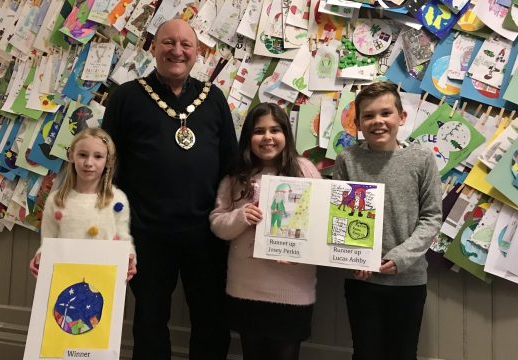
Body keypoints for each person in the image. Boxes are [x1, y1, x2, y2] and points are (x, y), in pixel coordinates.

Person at [101, 19, 237, 360]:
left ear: (197, 53)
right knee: (149, 323)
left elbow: (231, 166)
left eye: (186, 45)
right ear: (153, 47)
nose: (177, 50)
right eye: (168, 42)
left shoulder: (214, 98)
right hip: (146, 234)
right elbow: (106, 168)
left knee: (211, 322)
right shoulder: (125, 97)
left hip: (205, 235)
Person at [332, 81, 442, 360]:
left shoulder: (421, 159)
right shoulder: (347, 159)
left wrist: (401, 258)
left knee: (403, 354)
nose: (377, 121)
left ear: (401, 117)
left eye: (385, 113)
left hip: (408, 281)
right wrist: (352, 259)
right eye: (368, 116)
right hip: (361, 281)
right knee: (365, 353)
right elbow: (338, 218)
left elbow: (431, 218)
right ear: (357, 122)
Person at [209, 102, 321, 360]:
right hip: (246, 288)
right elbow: (217, 223)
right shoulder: (236, 176)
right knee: (253, 353)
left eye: (275, 130)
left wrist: (301, 253)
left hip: (293, 289)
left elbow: (319, 222)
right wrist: (241, 216)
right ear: (248, 137)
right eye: (259, 131)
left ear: (286, 134)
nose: (268, 137)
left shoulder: (305, 170)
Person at [29, 128, 137, 281]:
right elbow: (48, 241)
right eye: (82, 155)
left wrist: (129, 258)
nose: (88, 163)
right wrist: (40, 257)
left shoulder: (117, 200)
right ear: (72, 155)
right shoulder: (56, 200)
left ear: (108, 161)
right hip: (64, 278)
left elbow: (123, 238)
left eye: (98, 156)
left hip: (104, 279)